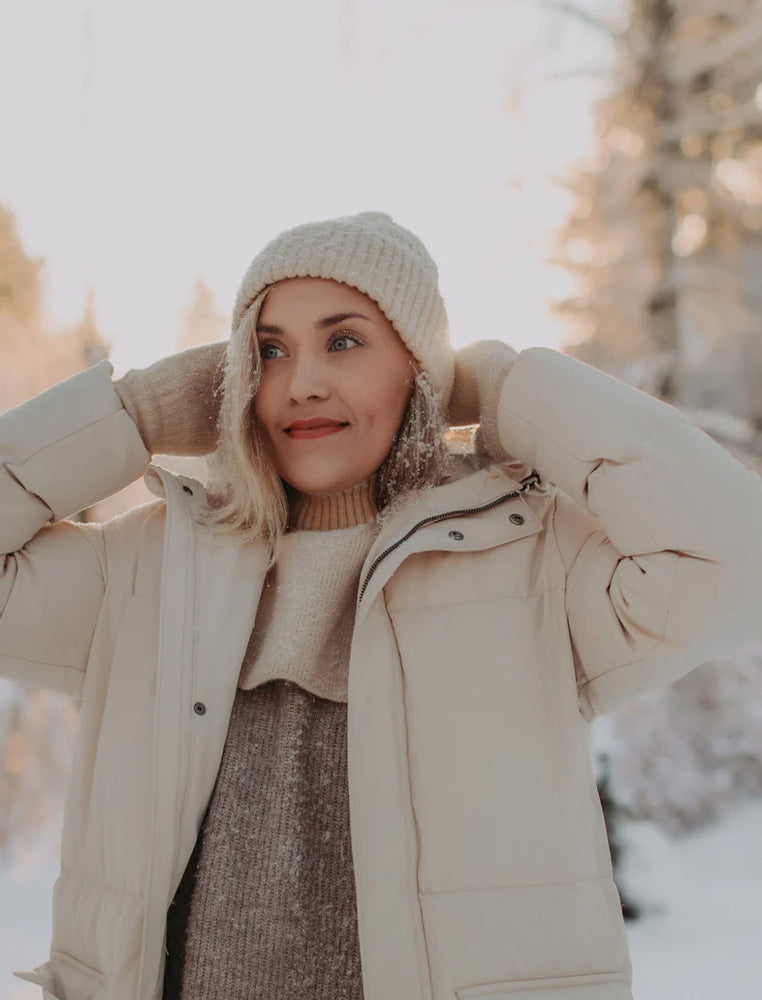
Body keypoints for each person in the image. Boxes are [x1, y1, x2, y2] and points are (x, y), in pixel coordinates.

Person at [1, 209, 760, 1000]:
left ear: (420, 367)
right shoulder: (146, 571)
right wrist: (137, 414)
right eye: (268, 351)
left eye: (345, 340)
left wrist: (510, 388)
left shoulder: (531, 563)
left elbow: (736, 557)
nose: (302, 383)